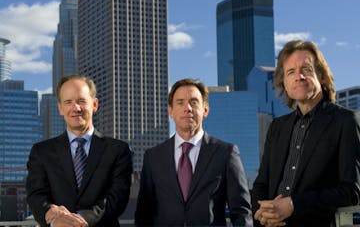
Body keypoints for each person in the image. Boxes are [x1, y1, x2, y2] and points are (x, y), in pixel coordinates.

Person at [251, 40, 360, 227]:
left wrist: (294, 204)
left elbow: (351, 191)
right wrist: (261, 212)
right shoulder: (277, 127)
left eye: (306, 70)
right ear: (284, 83)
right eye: (290, 72)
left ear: (322, 77)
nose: (298, 76)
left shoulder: (345, 121)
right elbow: (261, 184)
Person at [134, 78, 253, 226]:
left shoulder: (226, 153)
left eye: (194, 102)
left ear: (205, 110)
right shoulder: (153, 157)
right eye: (180, 102)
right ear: (170, 111)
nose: (187, 108)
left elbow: (242, 212)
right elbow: (144, 213)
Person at [26, 74, 133, 227]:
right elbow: (36, 195)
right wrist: (52, 216)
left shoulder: (118, 150)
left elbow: (116, 198)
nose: (75, 108)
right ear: (60, 108)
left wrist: (74, 220)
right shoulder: (41, 152)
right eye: (68, 102)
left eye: (81, 101)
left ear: (94, 104)